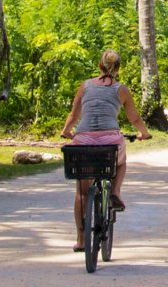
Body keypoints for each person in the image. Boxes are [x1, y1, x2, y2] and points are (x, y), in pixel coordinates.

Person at [59, 49, 151, 252]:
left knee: (82, 194)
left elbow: (74, 115)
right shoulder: (121, 89)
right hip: (110, 141)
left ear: (99, 66)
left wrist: (66, 131)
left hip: (83, 141)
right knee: (121, 160)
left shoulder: (85, 86)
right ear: (117, 69)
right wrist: (144, 133)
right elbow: (134, 118)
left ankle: (82, 240)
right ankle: (116, 192)